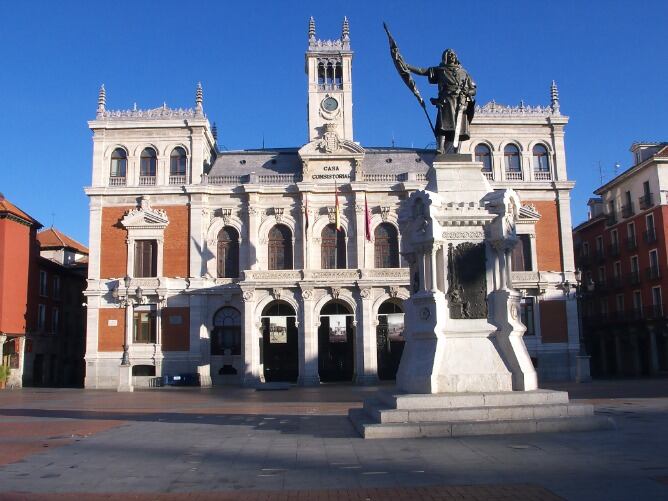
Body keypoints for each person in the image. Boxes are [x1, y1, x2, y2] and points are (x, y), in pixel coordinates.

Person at [406, 49, 476, 153]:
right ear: (445, 57)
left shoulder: (464, 72)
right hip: (446, 101)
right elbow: (422, 71)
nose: (452, 56)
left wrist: (467, 92)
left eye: (453, 54)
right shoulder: (441, 70)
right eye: (449, 54)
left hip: (460, 103)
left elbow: (473, 89)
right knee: (443, 125)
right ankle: (440, 147)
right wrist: (407, 66)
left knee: (459, 127)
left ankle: (456, 150)